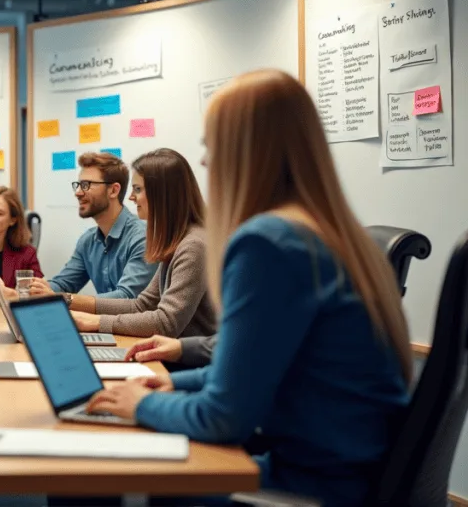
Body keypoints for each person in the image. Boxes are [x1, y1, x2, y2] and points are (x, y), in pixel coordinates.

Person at [86, 70, 412, 506]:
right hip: (350, 472)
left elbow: (223, 419)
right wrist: (174, 386)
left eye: (211, 146)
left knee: (136, 476)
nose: (205, 163)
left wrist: (137, 404)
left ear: (245, 152)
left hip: (317, 487)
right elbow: (256, 365)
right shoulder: (329, 233)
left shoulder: (269, 244)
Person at [67, 149, 217, 341]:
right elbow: (141, 305)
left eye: (138, 189)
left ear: (161, 194)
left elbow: (165, 323)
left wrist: (96, 322)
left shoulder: (193, 246)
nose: (131, 197)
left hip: (187, 365)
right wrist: (68, 301)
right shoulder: (177, 241)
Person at [29, 152, 157, 304]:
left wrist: (64, 298)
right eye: (78, 185)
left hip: (139, 327)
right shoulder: (88, 241)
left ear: (113, 190)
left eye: (86, 185)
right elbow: (63, 284)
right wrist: (35, 290)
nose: (78, 193)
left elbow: (127, 297)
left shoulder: (143, 236)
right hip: (104, 326)